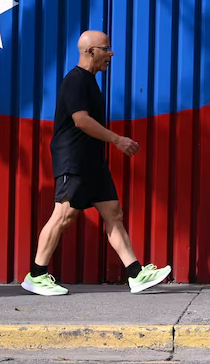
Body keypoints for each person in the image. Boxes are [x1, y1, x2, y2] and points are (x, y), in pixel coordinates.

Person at [21, 30, 171, 295]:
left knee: (113, 213)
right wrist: (117, 140)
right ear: (90, 51)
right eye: (106, 48)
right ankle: (36, 274)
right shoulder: (76, 81)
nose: (111, 53)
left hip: (92, 161)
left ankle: (135, 275)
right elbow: (81, 120)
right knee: (64, 215)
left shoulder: (90, 81)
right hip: (74, 160)